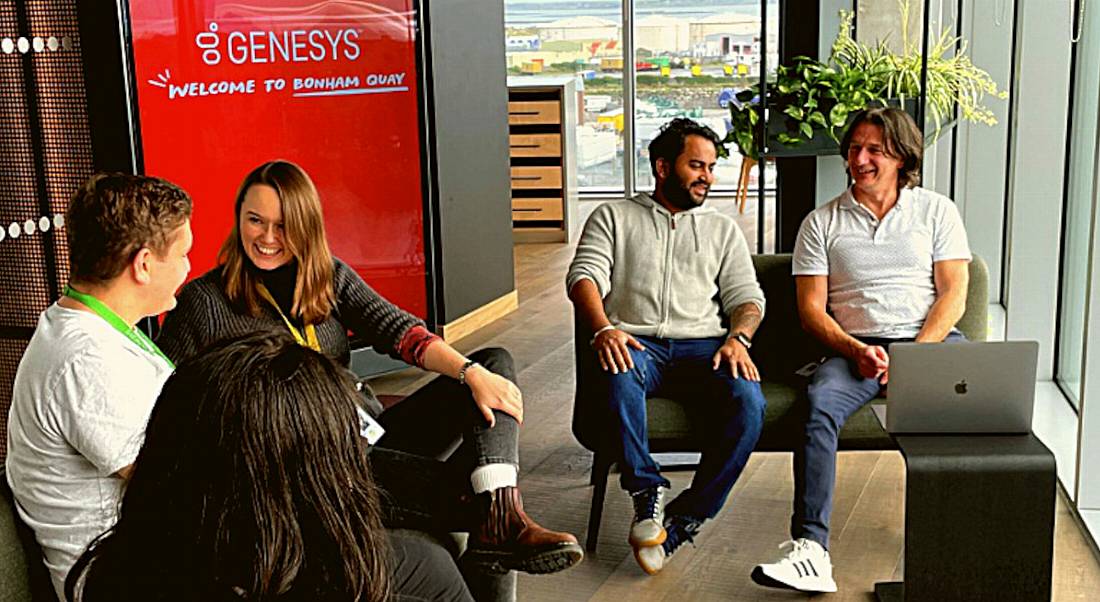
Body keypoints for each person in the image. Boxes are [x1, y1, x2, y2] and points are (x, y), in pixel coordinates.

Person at [156, 160, 582, 577]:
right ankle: (500, 516)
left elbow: (402, 333)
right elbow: (162, 396)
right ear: (239, 220)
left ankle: (499, 509)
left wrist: (470, 373)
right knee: (475, 498)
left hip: (369, 431)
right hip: (312, 464)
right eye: (255, 220)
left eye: (283, 225)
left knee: (492, 367)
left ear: (306, 227)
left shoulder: (327, 277)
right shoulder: (204, 302)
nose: (267, 237)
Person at [66, 331, 476, 602]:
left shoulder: (132, 559)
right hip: (268, 490)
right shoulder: (202, 305)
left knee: (432, 562)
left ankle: (494, 508)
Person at [752, 107, 971, 594]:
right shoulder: (821, 222)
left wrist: (915, 355)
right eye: (854, 148)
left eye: (875, 149)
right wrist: (855, 350)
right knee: (818, 407)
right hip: (855, 350)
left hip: (929, 342)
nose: (861, 159)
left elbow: (954, 293)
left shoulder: (936, 211)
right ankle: (811, 551)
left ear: (901, 156)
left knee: (980, 409)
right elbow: (812, 311)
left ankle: (966, 544)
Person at [567, 117, 768, 574]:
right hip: (637, 345)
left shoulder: (722, 229)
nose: (707, 177)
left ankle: (685, 519)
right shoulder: (613, 217)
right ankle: (646, 491)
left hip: (707, 348)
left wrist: (739, 338)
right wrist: (603, 328)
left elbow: (747, 297)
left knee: (750, 403)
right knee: (617, 370)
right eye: (696, 165)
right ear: (662, 167)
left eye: (712, 167)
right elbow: (584, 276)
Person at [5, 174, 192, 599]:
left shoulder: (89, 329)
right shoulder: (85, 361)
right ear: (143, 264)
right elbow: (177, 481)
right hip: (121, 578)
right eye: (183, 254)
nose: (189, 268)